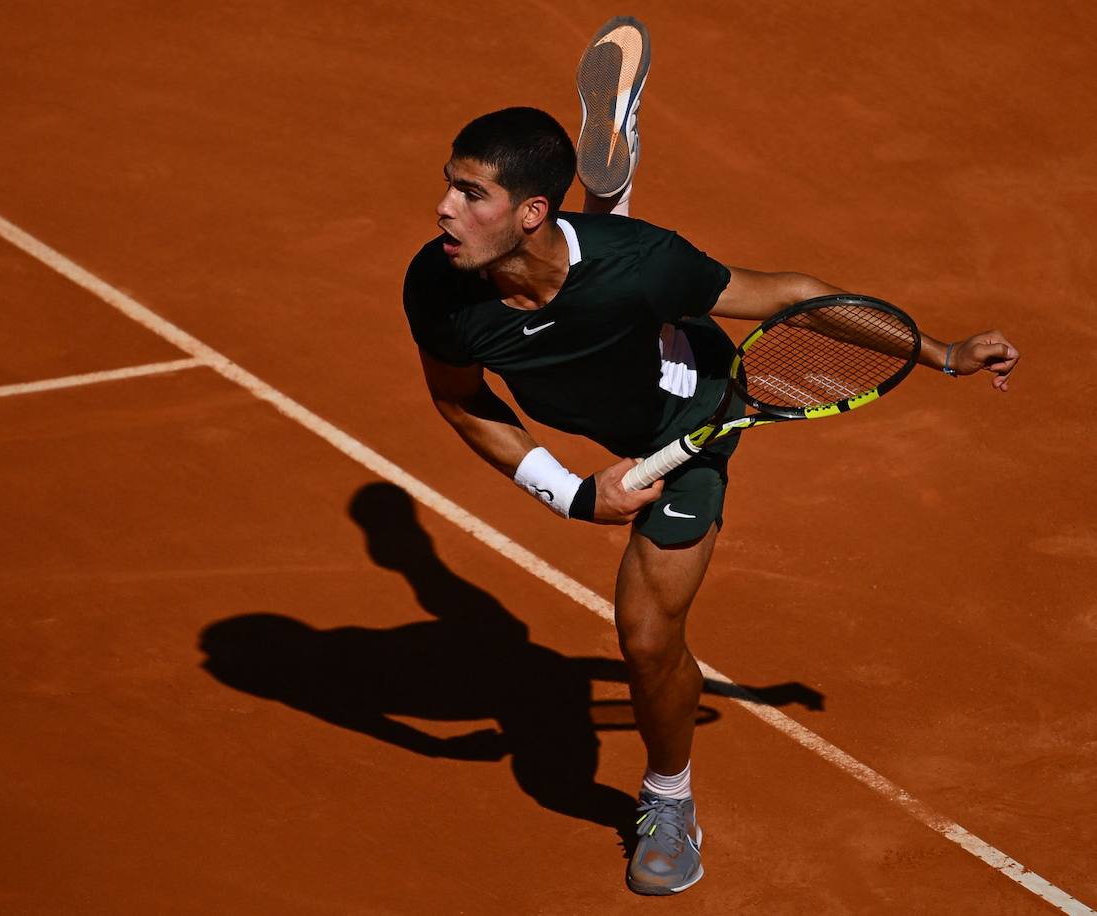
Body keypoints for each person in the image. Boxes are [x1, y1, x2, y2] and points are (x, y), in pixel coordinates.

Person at [400, 16, 1021, 897]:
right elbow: (458, 398)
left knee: (646, 640)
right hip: (592, 354)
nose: (443, 211)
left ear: (528, 209)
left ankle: (667, 798)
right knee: (596, 284)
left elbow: (794, 296)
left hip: (690, 409)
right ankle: (607, 185)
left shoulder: (648, 268)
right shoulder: (439, 283)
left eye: (470, 195)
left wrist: (946, 353)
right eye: (448, 188)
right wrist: (572, 495)